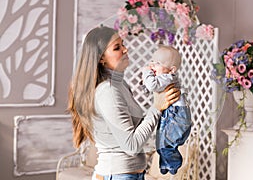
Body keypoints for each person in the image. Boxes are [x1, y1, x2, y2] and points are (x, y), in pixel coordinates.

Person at [67, 26, 180, 180]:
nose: (125, 49)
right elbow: (131, 146)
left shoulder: (120, 85)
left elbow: (137, 130)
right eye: (117, 47)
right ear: (101, 58)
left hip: (127, 174)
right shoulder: (108, 91)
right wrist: (156, 107)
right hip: (117, 175)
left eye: (123, 44)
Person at [142, 45, 192, 175]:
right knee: (161, 142)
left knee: (168, 144)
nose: (152, 65)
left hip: (176, 114)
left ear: (171, 70)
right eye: (152, 61)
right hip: (170, 113)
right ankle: (165, 164)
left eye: (158, 63)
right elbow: (152, 88)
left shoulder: (168, 77)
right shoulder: (163, 77)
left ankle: (174, 164)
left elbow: (152, 85)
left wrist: (146, 72)